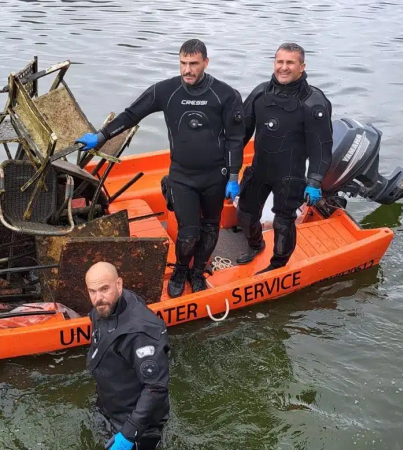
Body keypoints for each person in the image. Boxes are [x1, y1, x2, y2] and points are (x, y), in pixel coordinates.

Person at [76, 39, 245, 298]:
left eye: (194, 64)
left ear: (206, 63)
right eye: (183, 64)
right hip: (182, 176)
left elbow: (235, 138)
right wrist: (102, 136)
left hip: (215, 175)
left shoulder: (225, 94)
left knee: (210, 230)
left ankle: (198, 272)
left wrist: (233, 176)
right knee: (189, 234)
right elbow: (132, 114)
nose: (187, 70)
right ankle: (180, 270)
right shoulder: (166, 91)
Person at [236, 42, 333, 273]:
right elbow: (239, 134)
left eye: (290, 62)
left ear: (302, 66)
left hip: (290, 174)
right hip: (260, 169)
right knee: (245, 213)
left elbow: (322, 148)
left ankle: (278, 265)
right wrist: (227, 168)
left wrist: (315, 182)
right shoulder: (260, 93)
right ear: (274, 63)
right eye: (280, 62)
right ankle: (255, 244)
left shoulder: (313, 102)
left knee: (283, 222)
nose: (284, 67)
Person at [85, 262, 170, 450]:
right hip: (110, 402)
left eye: (104, 289)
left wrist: (129, 433)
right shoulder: (103, 308)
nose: (98, 298)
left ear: (119, 285)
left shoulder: (141, 333)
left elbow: (156, 388)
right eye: (92, 291)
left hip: (136, 421)